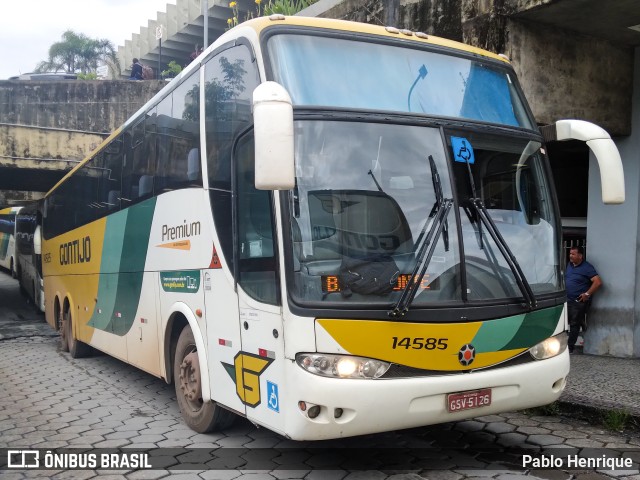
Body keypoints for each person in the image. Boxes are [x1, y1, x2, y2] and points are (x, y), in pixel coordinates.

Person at [565, 246, 602, 353]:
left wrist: (587, 294)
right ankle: (581, 320)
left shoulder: (587, 267)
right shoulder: (569, 265)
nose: (570, 256)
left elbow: (598, 282)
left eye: (573, 254)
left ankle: (570, 348)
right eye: (570, 254)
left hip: (578, 301)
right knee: (565, 321)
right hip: (567, 299)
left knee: (574, 324)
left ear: (580, 256)